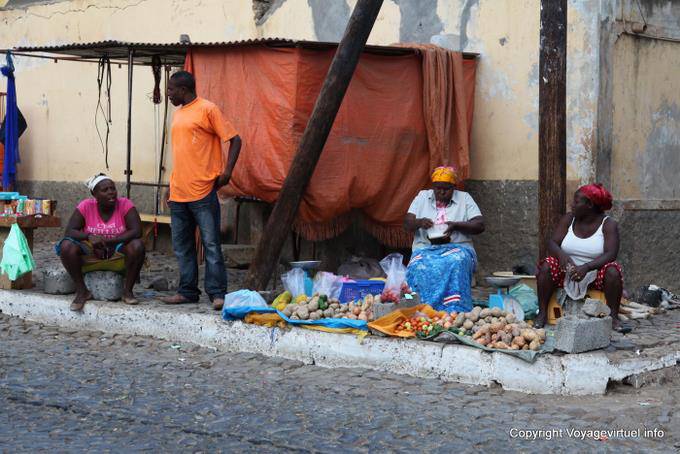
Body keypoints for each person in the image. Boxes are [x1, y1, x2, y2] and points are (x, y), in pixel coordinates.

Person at [160, 70, 242, 311]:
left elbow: (235, 139)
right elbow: (183, 155)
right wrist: (170, 185)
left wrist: (227, 172)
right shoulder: (178, 114)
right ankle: (187, 292)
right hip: (179, 192)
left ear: (183, 89)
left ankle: (217, 293)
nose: (168, 94)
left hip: (203, 191)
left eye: (171, 90)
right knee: (182, 246)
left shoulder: (208, 109)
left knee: (211, 245)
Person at [535, 184, 624, 330]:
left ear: (589, 204)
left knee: (613, 271)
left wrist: (586, 267)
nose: (572, 205)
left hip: (593, 275)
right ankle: (542, 313)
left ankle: (613, 317)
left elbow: (611, 254)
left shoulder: (608, 224)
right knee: (546, 266)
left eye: (576, 201)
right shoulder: (569, 219)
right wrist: (561, 255)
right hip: (566, 272)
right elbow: (552, 243)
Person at [56, 174, 145, 311]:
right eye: (105, 190)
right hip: (91, 254)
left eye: (113, 188)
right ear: (94, 194)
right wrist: (89, 236)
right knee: (66, 246)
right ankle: (82, 292)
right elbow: (70, 231)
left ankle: (127, 292)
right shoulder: (86, 206)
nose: (111, 192)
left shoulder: (125, 204)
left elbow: (137, 231)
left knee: (137, 245)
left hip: (118, 253)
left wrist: (110, 241)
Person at [403, 166, 485, 312]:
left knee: (456, 261)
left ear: (454, 187)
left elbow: (479, 225)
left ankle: (455, 309)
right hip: (425, 248)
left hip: (458, 248)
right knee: (417, 265)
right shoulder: (422, 197)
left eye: (446, 189)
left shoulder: (464, 198)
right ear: (432, 187)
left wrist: (456, 226)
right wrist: (420, 222)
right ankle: (416, 307)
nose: (441, 192)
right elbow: (407, 223)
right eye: (437, 188)